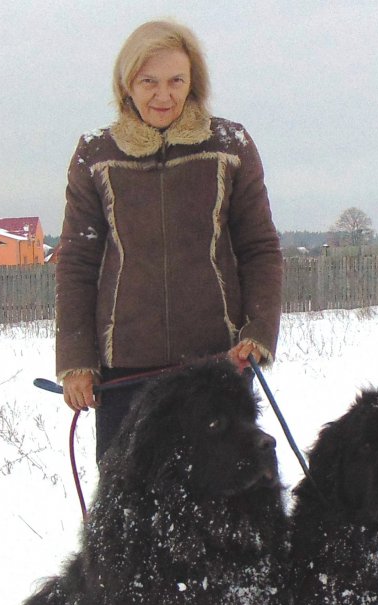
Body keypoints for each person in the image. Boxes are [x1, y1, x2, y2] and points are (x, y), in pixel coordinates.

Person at [55, 19, 283, 461]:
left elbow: (260, 249)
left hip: (220, 362)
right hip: (125, 369)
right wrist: (77, 361)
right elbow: (78, 261)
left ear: (194, 80)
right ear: (127, 84)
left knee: (224, 501)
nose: (164, 95)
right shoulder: (95, 155)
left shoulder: (229, 146)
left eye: (176, 80)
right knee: (131, 508)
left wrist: (258, 332)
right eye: (149, 81)